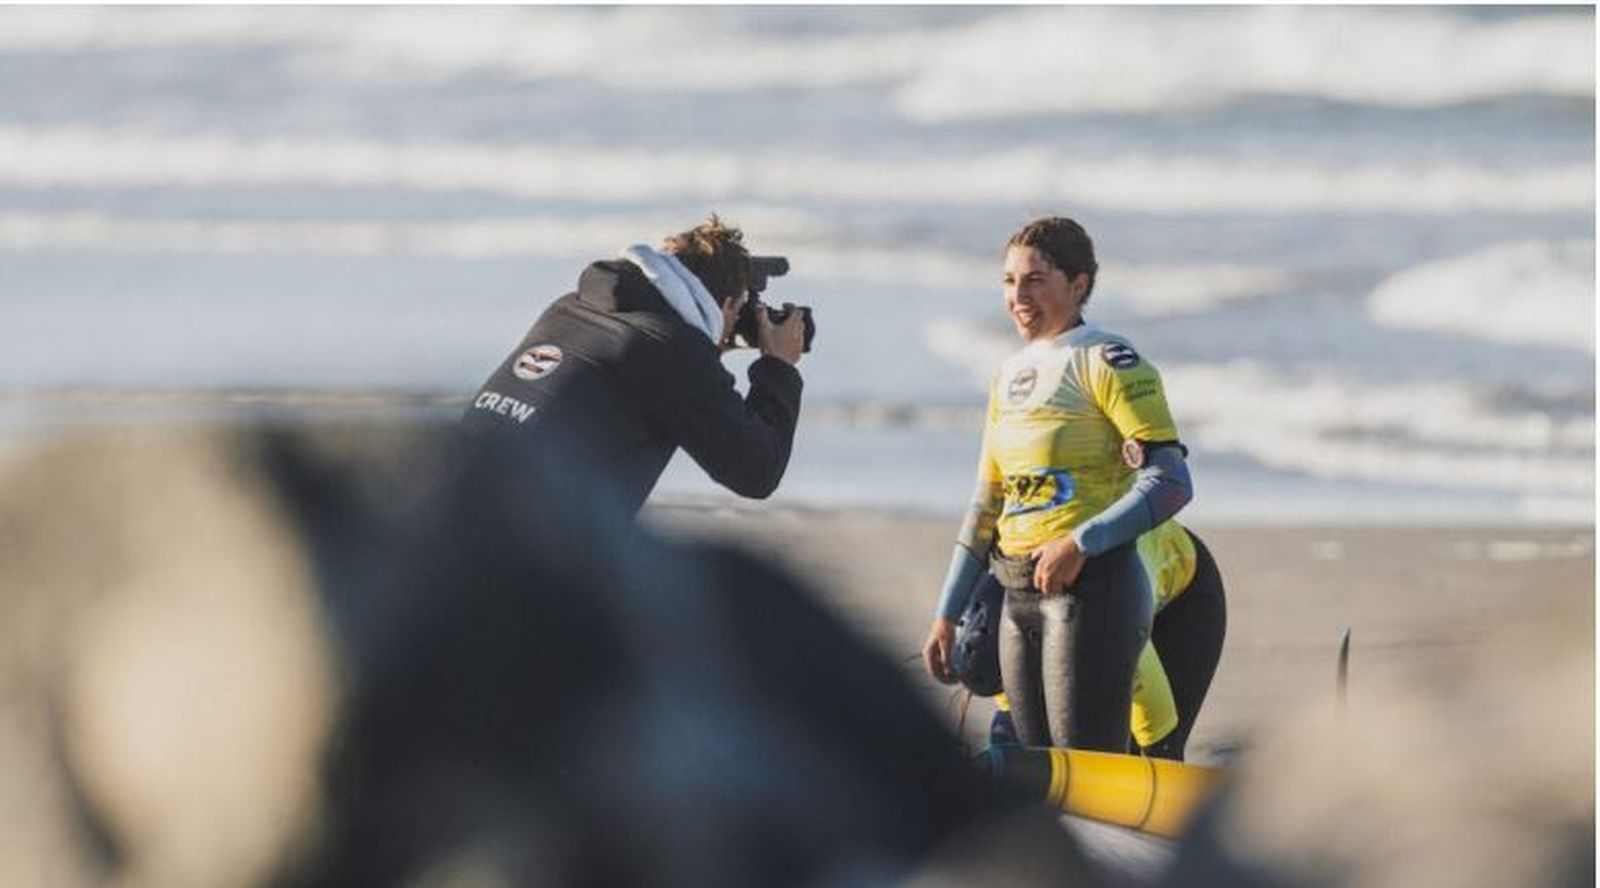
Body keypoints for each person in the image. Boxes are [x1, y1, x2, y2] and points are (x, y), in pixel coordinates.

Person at [921, 215, 1195, 753]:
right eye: (1008, 281)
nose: (1018, 295)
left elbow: (1172, 482)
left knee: (1084, 772)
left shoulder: (1106, 359)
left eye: (1035, 279)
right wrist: (947, 613)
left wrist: (1081, 543)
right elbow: (986, 506)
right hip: (1019, 593)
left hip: (1093, 589)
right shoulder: (1006, 376)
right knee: (1040, 774)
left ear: (1079, 285)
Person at [461, 215, 806, 515]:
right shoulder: (671, 352)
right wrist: (778, 367)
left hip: (450, 506)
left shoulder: (569, 309)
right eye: (739, 308)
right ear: (725, 304)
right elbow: (757, 470)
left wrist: (705, 350)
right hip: (522, 550)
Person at [947, 518, 1227, 761]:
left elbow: (1161, 747)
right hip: (1090, 598)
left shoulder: (1110, 631)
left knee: (1126, 754)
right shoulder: (1007, 617)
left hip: (1185, 600)